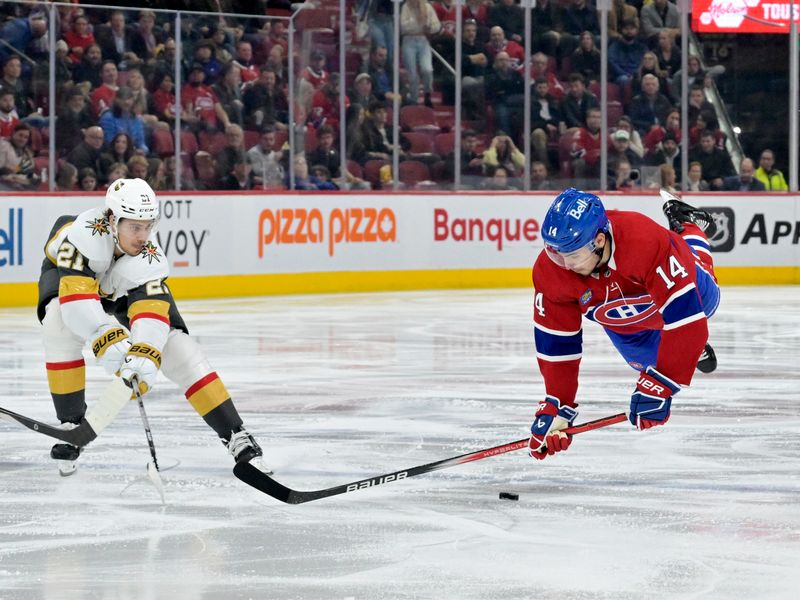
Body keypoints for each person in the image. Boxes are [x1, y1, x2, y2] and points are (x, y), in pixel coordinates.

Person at [37, 178, 266, 475]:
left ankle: (236, 434)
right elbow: (78, 303)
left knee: (180, 350)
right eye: (134, 227)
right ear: (111, 220)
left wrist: (144, 355)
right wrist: (105, 335)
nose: (143, 236)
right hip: (70, 281)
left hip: (118, 290)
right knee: (58, 323)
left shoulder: (149, 257)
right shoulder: (80, 236)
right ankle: (71, 425)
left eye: (148, 226)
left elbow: (152, 315)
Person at [528, 188, 719, 460]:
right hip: (628, 327)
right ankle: (687, 350)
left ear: (599, 239)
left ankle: (686, 224)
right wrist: (558, 405)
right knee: (647, 362)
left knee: (707, 299)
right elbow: (558, 347)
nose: (564, 265)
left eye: (572, 255)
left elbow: (688, 322)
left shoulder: (643, 240)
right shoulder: (551, 271)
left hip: (682, 292)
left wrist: (663, 384)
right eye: (557, 254)